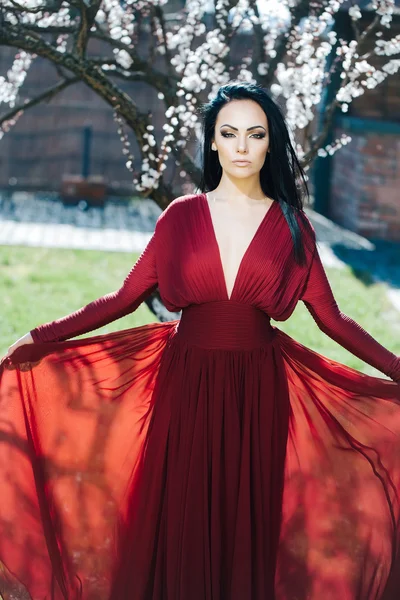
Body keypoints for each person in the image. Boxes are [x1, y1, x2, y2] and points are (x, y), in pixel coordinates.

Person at [0, 81, 399, 600]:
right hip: (184, 383)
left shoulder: (293, 226)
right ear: (211, 141)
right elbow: (123, 298)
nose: (240, 147)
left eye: (254, 135)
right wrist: (38, 336)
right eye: (228, 133)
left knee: (243, 525)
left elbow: (333, 319)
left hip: (258, 393)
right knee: (178, 516)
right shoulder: (181, 217)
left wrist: (397, 369)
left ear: (270, 144)